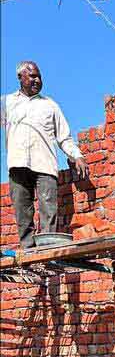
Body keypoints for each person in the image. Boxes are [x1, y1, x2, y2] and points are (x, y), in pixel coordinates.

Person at [1, 61, 87, 248]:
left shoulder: (50, 105)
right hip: (17, 164)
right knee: (22, 212)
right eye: (32, 76)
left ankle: (47, 254)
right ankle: (28, 254)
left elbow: (64, 137)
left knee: (49, 210)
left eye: (39, 76)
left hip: (45, 165)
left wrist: (77, 156)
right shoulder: (6, 103)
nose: (37, 80)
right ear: (20, 77)